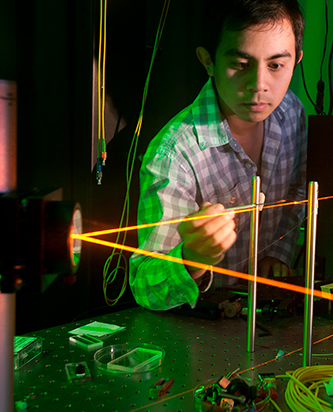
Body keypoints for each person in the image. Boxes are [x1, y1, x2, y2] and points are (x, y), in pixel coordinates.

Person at [129, 0, 307, 311]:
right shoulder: (174, 153)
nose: (259, 85)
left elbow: (297, 192)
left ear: (296, 60)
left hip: (268, 313)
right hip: (198, 328)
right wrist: (193, 259)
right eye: (240, 64)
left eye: (276, 65)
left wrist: (278, 252)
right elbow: (145, 287)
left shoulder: (291, 112)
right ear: (207, 60)